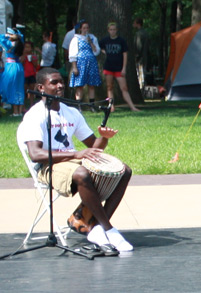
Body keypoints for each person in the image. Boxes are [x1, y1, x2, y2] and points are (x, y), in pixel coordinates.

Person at [21, 68, 133, 254]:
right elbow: (36, 154)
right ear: (41, 87)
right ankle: (109, 230)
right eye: (54, 82)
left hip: (73, 161)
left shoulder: (71, 112)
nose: (60, 85)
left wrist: (104, 138)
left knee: (124, 170)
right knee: (82, 173)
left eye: (61, 82)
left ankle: (94, 227)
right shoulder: (35, 115)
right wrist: (75, 155)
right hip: (48, 166)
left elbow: (93, 147)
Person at [99, 22, 140, 112]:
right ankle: (111, 106)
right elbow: (99, 47)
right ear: (108, 30)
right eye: (111, 30)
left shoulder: (121, 41)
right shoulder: (105, 40)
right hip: (108, 67)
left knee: (124, 88)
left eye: (114, 29)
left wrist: (124, 68)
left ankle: (132, 107)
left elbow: (125, 54)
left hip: (119, 67)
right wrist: (104, 52)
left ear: (116, 30)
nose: (112, 31)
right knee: (109, 87)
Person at [68, 20, 101, 111]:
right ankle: (79, 106)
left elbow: (96, 51)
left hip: (91, 63)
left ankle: (92, 105)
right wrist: (74, 67)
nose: (86, 29)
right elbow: (72, 54)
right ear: (81, 29)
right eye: (84, 28)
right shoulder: (76, 39)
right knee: (80, 85)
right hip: (80, 63)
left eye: (87, 28)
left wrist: (90, 42)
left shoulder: (92, 38)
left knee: (91, 84)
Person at [0, 27, 25, 117]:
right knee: (19, 87)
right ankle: (20, 111)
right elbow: (21, 36)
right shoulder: (20, 42)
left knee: (11, 87)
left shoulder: (7, 43)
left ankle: (15, 112)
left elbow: (0, 37)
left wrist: (6, 35)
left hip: (11, 66)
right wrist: (17, 35)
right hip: (19, 66)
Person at [133, 18, 150, 90]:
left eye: (134, 22)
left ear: (138, 24)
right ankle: (143, 89)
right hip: (145, 56)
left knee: (140, 74)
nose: (133, 24)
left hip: (140, 58)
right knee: (143, 74)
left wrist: (136, 56)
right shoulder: (146, 33)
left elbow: (138, 46)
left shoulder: (139, 34)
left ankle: (141, 89)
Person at [21, 41, 39, 107]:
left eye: (28, 47)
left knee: (31, 90)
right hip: (24, 75)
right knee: (24, 90)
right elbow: (21, 62)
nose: (27, 49)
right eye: (25, 47)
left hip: (32, 74)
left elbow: (36, 66)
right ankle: (23, 105)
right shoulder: (22, 55)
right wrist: (24, 55)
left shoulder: (34, 56)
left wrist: (32, 60)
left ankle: (31, 104)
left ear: (31, 48)